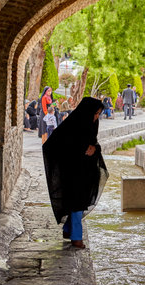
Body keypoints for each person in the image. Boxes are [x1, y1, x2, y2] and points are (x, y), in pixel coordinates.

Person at [42, 97, 108, 249]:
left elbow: (94, 144)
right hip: (72, 172)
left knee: (79, 201)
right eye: (95, 113)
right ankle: (76, 238)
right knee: (77, 202)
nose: (96, 117)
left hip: (85, 172)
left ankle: (68, 230)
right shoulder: (72, 126)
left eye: (98, 114)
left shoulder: (91, 125)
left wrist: (94, 149)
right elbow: (53, 145)